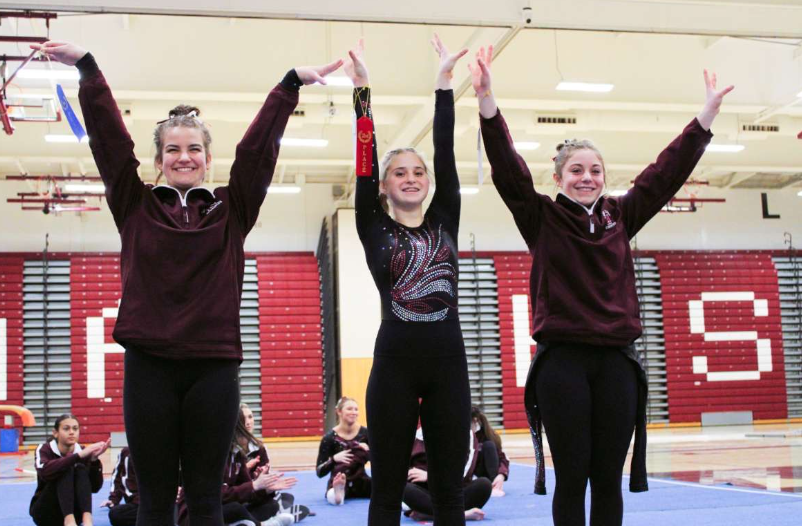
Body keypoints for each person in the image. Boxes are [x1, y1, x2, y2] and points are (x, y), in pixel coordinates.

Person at [31, 40, 342, 526]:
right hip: (149, 367)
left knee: (205, 499)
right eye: (172, 149)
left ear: (207, 158)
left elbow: (257, 155)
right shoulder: (135, 204)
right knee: (153, 499)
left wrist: (288, 86)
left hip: (213, 370)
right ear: (158, 160)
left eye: (193, 148)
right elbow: (110, 144)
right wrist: (88, 70)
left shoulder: (231, 209)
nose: (183, 157)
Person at [469, 45, 733, 526]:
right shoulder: (542, 217)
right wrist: (488, 103)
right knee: (573, 478)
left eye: (595, 171)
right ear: (559, 177)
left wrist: (706, 117)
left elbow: (664, 174)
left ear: (605, 178)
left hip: (617, 362)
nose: (587, 178)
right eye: (576, 171)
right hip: (562, 363)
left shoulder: (621, 216)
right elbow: (509, 169)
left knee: (608, 480)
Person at [344, 35, 471, 525]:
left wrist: (443, 85)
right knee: (387, 490)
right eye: (399, 172)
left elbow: (446, 151)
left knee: (448, 491)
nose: (412, 177)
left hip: (448, 368)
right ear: (385, 186)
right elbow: (363, 159)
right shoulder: (372, 224)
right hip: (393, 368)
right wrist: (362, 92)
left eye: (418, 171)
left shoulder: (446, 219)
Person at [30, 414, 110, 526]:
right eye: (66, 429)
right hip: (46, 512)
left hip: (76, 512)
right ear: (55, 433)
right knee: (66, 467)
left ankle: (87, 519)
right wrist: (77, 456)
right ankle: (68, 520)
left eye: (75, 429)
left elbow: (95, 488)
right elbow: (44, 472)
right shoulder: (44, 449)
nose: (72, 432)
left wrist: (94, 461)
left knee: (80, 468)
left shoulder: (83, 452)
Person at [402, 428, 491, 522]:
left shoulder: (466, 433)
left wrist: (430, 477)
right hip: (425, 492)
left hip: (453, 492)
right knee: (404, 487)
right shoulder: (416, 435)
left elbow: (465, 473)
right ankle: (460, 515)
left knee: (484, 484)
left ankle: (429, 513)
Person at [315, 397, 371, 506]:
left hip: (362, 481)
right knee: (333, 497)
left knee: (385, 492)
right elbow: (319, 472)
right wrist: (334, 459)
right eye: (349, 409)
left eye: (356, 409)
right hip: (339, 479)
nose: (354, 412)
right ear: (339, 411)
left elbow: (380, 462)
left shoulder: (366, 434)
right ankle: (338, 493)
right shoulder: (329, 438)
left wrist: (369, 451)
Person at [470, 406, 509, 497]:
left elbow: (503, 458)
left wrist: (501, 475)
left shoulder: (488, 436)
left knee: (489, 445)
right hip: (466, 472)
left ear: (475, 421)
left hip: (482, 471)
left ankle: (493, 485)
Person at [101, 447, 139, 526]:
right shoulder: (126, 452)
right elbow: (117, 476)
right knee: (116, 514)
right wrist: (114, 499)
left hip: (158, 504)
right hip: (137, 505)